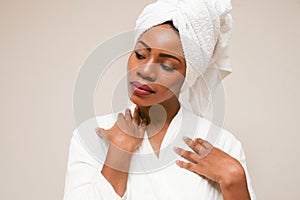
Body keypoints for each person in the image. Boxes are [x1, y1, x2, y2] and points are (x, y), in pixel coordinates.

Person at [63, 0, 256, 199]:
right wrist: (118, 152)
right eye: (140, 55)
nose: (145, 72)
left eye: (167, 66)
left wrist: (234, 179)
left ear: (189, 75)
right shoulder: (92, 136)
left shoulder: (224, 144)